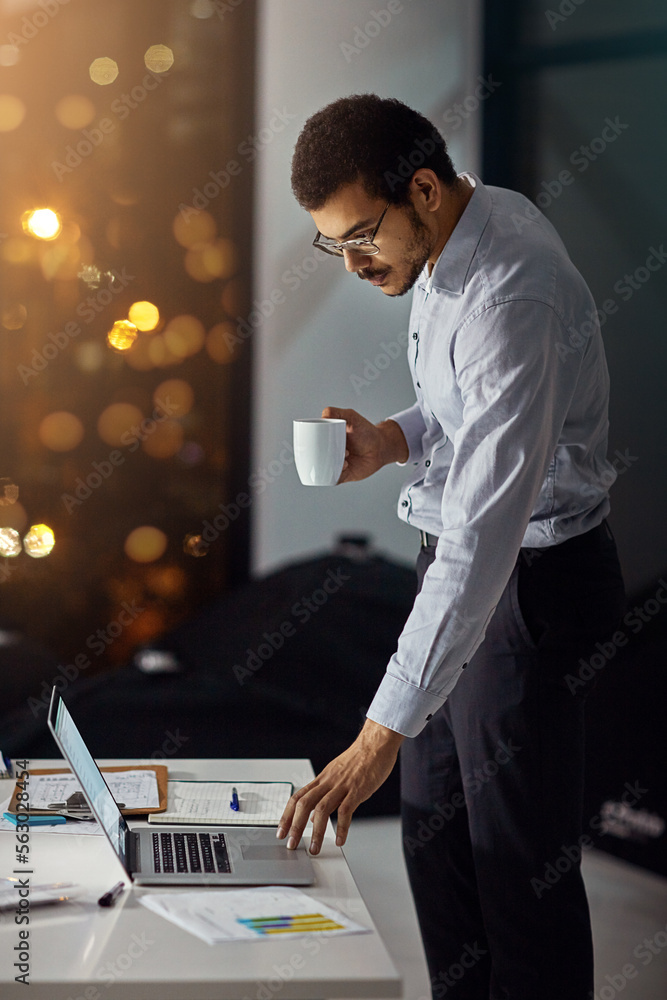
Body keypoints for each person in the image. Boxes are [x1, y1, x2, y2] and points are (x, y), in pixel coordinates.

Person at [277, 94, 625, 1000]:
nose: (351, 264)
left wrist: (376, 734)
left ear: (422, 189)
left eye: (359, 237)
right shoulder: (454, 229)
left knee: (518, 877)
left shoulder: (514, 289)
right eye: (333, 245)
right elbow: (467, 410)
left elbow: (482, 534)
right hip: (470, 569)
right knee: (438, 847)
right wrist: (389, 441)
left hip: (532, 585)